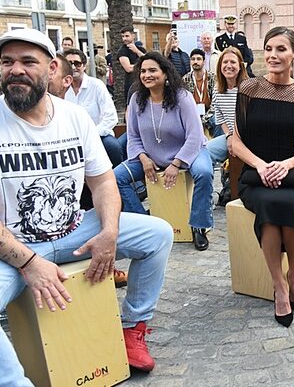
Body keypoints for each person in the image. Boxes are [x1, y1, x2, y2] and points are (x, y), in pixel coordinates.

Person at [0, 28, 173, 382]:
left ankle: (131, 329)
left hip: (75, 229)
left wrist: (109, 233)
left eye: (27, 61)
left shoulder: (74, 117)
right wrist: (30, 263)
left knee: (157, 234)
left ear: (51, 69)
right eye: (6, 61)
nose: (15, 69)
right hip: (14, 246)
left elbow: (103, 181)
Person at [231, 27, 294, 327]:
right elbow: (235, 142)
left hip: (291, 172)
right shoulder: (249, 89)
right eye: (268, 48)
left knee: (288, 204)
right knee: (269, 206)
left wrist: (285, 164)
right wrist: (261, 165)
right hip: (255, 174)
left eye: (281, 49)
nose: (272, 55)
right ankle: (279, 284)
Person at [113, 52, 214, 251]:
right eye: (143, 71)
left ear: (165, 73)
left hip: (189, 152)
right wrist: (143, 158)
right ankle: (144, 223)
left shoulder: (182, 97)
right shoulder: (136, 100)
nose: (147, 75)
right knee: (116, 178)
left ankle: (199, 226)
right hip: (149, 156)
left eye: (152, 70)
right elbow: (132, 136)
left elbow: (194, 136)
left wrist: (176, 164)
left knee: (204, 173)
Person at [63, 48, 121, 167]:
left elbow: (111, 117)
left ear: (84, 66)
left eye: (77, 63)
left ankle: (117, 180)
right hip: (70, 139)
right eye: (69, 64)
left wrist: (91, 135)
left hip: (99, 136)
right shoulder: (61, 89)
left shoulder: (96, 85)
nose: (73, 67)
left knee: (113, 147)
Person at [206, 47, 250, 165]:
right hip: (229, 136)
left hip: (249, 138)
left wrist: (235, 139)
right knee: (203, 152)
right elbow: (220, 117)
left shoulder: (249, 88)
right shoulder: (217, 89)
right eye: (225, 62)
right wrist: (229, 136)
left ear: (240, 66)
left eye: (233, 62)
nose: (228, 65)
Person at [181, 49, 216, 130]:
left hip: (209, 114)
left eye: (198, 59)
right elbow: (183, 103)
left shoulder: (212, 77)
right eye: (193, 59)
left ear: (204, 61)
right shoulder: (185, 79)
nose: (195, 62)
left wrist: (203, 119)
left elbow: (215, 103)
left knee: (216, 120)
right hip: (192, 114)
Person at [117, 26, 147, 98]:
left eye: (127, 36)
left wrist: (137, 51)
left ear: (133, 36)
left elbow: (149, 60)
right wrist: (144, 67)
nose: (124, 38)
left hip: (144, 83)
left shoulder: (141, 49)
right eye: (123, 36)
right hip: (131, 84)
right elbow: (128, 68)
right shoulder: (122, 51)